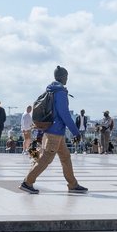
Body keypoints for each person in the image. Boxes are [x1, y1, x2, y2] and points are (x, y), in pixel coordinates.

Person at [20, 66, 88, 195]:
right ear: (61, 77)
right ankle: (27, 182)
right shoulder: (60, 92)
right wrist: (75, 132)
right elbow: (65, 114)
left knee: (66, 157)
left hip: (55, 131)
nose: (67, 78)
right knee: (46, 158)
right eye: (66, 76)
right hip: (54, 132)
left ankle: (73, 184)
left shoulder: (52, 90)